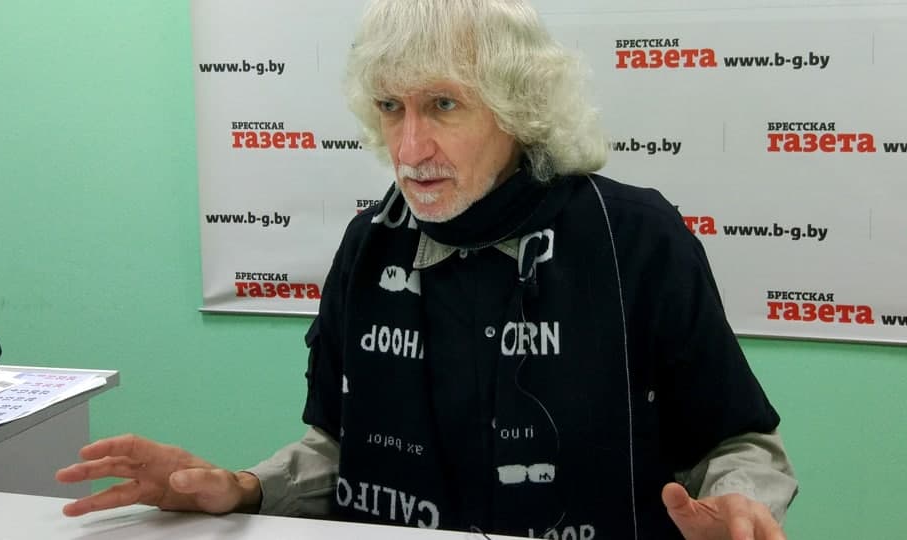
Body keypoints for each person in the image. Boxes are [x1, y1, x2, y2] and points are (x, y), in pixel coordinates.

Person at [56, 1, 797, 538]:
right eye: (390, 107)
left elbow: (739, 445)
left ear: (517, 108)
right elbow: (338, 450)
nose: (409, 149)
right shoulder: (369, 245)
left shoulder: (634, 237)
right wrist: (245, 489)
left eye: (443, 104)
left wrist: (741, 506)